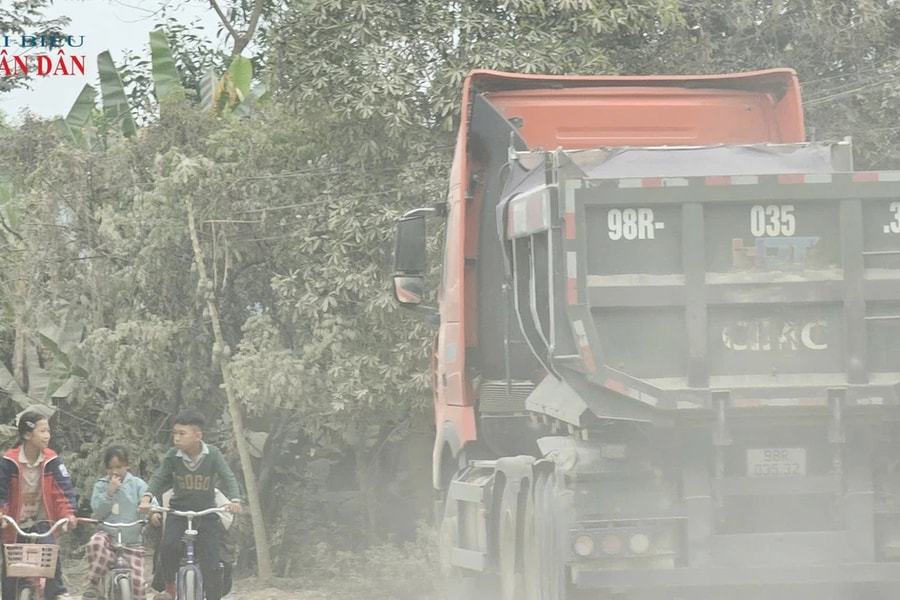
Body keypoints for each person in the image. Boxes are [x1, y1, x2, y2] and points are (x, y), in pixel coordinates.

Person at [138, 409, 242, 600]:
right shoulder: (172, 456)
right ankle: (169, 587)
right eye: (175, 433)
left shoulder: (213, 454)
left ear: (198, 436)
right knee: (168, 547)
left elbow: (228, 476)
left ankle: (213, 595)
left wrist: (235, 500)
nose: (176, 438)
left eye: (182, 434)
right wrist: (146, 498)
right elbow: (159, 476)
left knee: (211, 559)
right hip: (179, 512)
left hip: (206, 514)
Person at [0, 410, 77, 600]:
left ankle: (58, 593)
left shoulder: (52, 460)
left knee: (50, 553)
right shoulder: (9, 461)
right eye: (42, 431)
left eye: (48, 431)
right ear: (27, 435)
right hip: (14, 524)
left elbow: (62, 492)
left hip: (42, 521)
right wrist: (1, 514)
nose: (47, 436)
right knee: (11, 572)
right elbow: (1, 493)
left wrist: (69, 514)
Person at [84, 445, 159, 600]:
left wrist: (153, 514)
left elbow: (152, 503)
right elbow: (97, 512)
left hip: (131, 543)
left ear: (127, 465)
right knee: (95, 542)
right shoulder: (101, 485)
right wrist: (109, 493)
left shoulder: (138, 485)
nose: (115, 472)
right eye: (110, 468)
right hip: (107, 537)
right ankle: (93, 583)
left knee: (138, 586)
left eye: (119, 467)